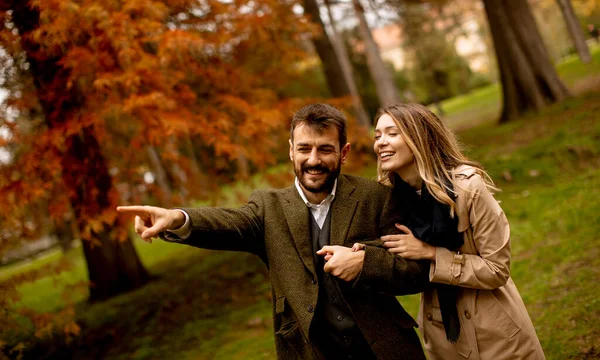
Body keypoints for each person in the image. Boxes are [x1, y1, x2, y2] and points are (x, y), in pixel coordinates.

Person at [117, 103, 430, 360]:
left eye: (325, 149)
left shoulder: (376, 196)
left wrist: (365, 263)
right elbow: (227, 223)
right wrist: (176, 218)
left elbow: (413, 272)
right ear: (291, 151)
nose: (314, 160)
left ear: (344, 152)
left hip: (385, 350)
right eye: (304, 149)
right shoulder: (268, 207)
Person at [353, 103, 545, 359]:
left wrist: (432, 253)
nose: (381, 143)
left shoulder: (468, 188)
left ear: (418, 136)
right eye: (377, 136)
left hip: (496, 333)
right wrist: (366, 252)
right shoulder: (389, 197)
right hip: (441, 335)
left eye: (392, 133)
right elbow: (398, 256)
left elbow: (497, 270)